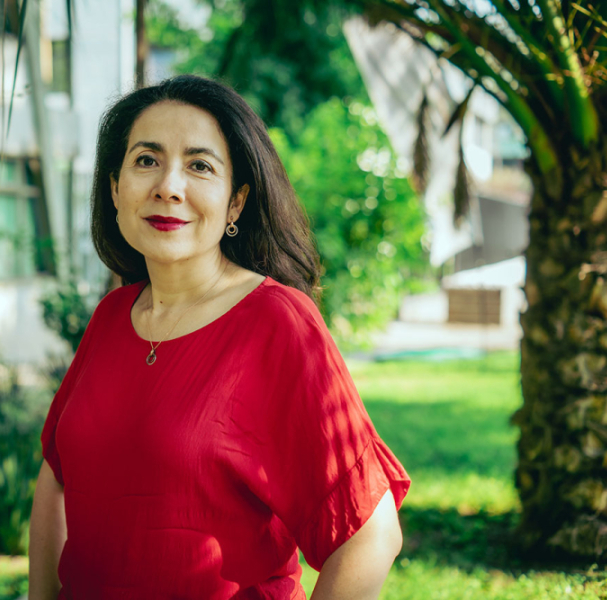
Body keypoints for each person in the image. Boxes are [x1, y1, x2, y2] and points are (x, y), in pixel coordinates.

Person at [28, 75, 411, 600]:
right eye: (146, 160)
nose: (168, 185)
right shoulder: (113, 315)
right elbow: (57, 474)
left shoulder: (277, 323)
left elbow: (371, 533)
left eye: (200, 166)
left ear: (236, 203)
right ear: (114, 187)